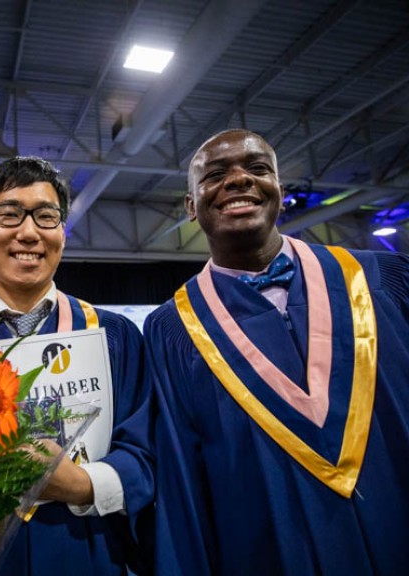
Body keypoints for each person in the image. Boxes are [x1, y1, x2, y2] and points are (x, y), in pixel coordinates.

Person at [144, 128, 409, 574]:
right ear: (191, 206)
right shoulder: (172, 331)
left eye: (257, 168)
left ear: (280, 192)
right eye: (214, 175)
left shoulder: (381, 278)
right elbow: (181, 490)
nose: (238, 180)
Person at [0, 156, 155, 575]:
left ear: (63, 232)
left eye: (46, 217)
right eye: (9, 214)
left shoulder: (113, 336)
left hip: (87, 551)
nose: (28, 233)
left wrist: (82, 485)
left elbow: (146, 453)